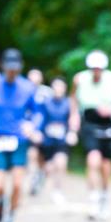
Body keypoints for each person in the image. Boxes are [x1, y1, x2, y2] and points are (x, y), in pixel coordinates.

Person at [0, 49, 44, 222]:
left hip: (19, 139)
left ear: (20, 68)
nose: (12, 73)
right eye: (9, 69)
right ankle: (0, 202)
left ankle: (10, 218)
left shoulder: (28, 88)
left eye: (15, 69)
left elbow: (38, 112)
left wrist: (32, 126)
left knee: (17, 184)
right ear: (3, 66)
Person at [68, 49, 111, 221]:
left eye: (99, 69)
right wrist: (74, 116)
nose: (96, 72)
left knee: (106, 164)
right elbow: (73, 99)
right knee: (92, 159)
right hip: (89, 122)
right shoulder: (79, 79)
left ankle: (104, 195)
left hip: (107, 123)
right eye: (93, 69)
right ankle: (93, 198)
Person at [38, 77, 76, 205]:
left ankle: (58, 190)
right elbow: (40, 119)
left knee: (61, 164)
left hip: (62, 139)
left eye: (60, 87)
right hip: (47, 139)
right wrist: (37, 132)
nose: (58, 90)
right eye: (55, 87)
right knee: (49, 167)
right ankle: (45, 186)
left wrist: (72, 132)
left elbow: (73, 118)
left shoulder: (69, 103)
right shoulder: (45, 103)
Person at [27, 68, 54, 196]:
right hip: (29, 130)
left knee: (42, 158)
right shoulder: (24, 91)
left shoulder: (47, 93)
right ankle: (33, 180)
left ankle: (40, 175)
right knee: (31, 154)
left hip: (45, 130)